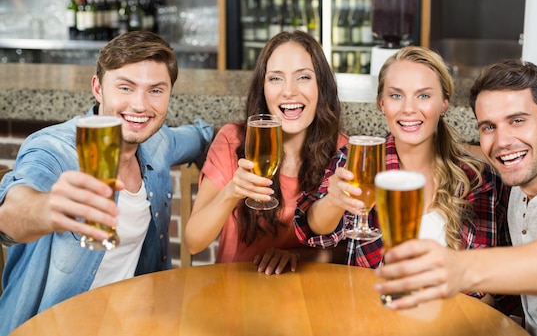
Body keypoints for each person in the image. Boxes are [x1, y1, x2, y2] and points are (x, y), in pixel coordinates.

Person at [375, 59, 537, 335]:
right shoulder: (520, 181)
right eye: (489, 127)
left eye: (517, 120)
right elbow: (467, 153)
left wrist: (459, 269)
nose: (503, 141)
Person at [0, 31, 215, 336]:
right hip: (49, 328)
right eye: (125, 87)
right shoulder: (55, 148)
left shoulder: (159, 142)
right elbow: (10, 210)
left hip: (133, 322)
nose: (140, 105)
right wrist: (48, 209)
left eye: (155, 90)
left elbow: (204, 137)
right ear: (98, 88)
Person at [295, 46, 516, 311]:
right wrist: (333, 199)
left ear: (444, 103)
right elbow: (316, 233)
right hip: (371, 319)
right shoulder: (361, 163)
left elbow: (499, 282)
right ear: (382, 103)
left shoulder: (480, 180)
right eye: (396, 95)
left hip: (452, 324)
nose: (409, 109)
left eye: (423, 95)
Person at [184, 30, 348, 275]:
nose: (289, 91)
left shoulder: (342, 150)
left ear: (321, 86)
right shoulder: (233, 140)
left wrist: (298, 256)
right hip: (235, 295)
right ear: (263, 88)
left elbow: (346, 250)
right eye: (275, 79)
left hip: (309, 300)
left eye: (303, 77)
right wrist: (232, 192)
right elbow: (193, 242)